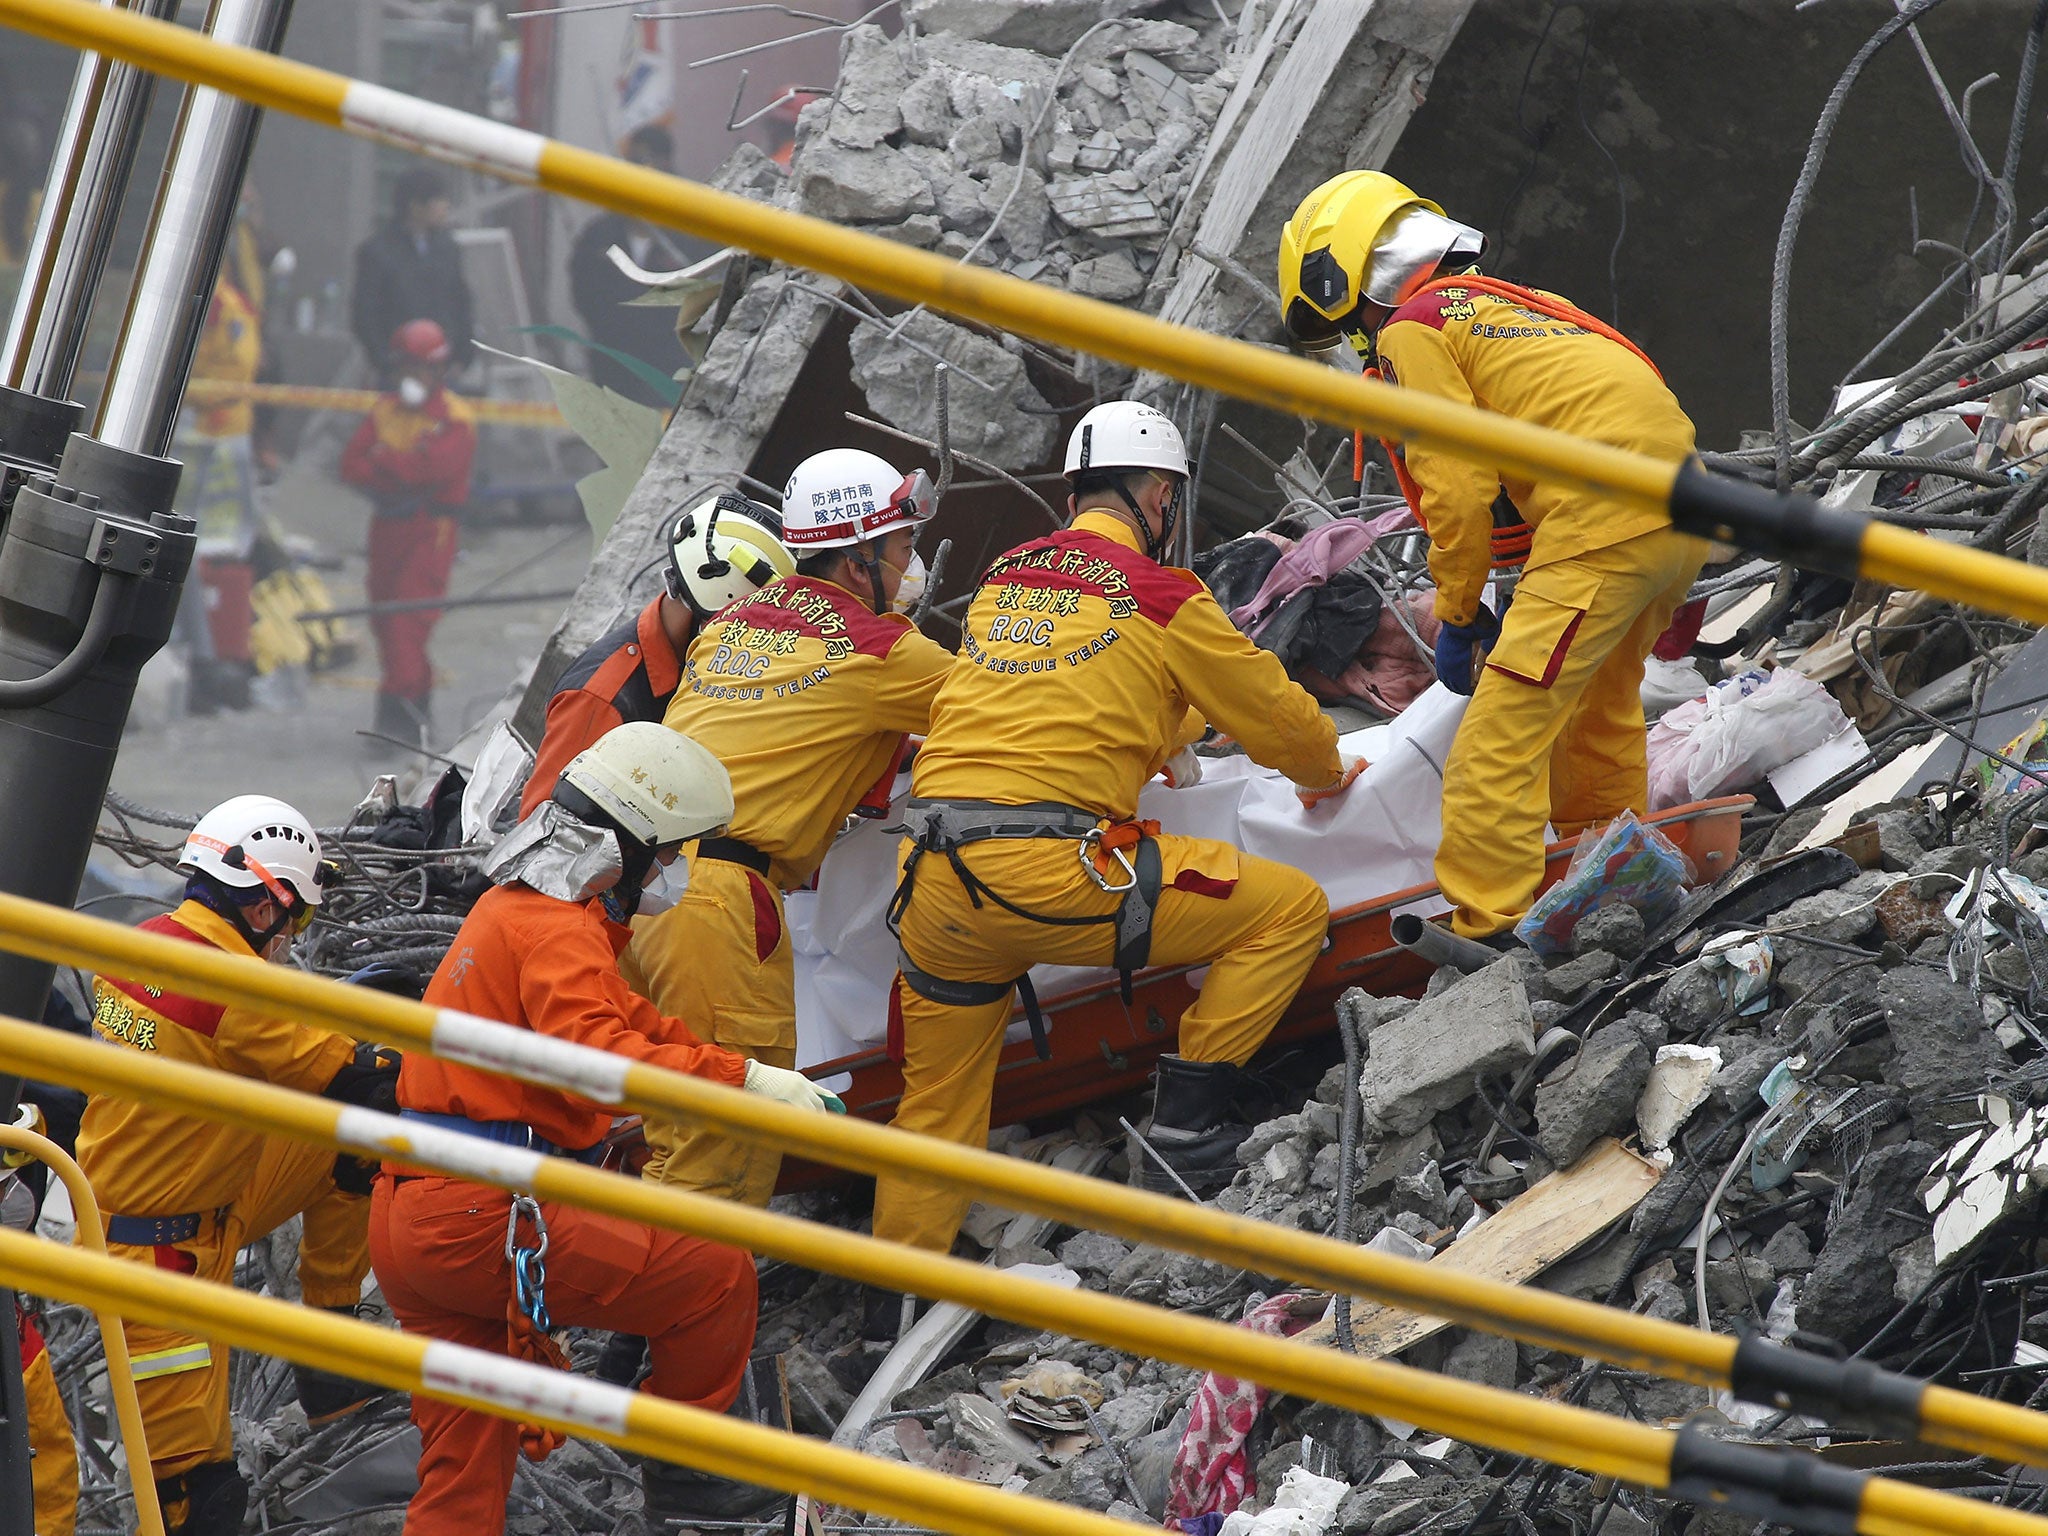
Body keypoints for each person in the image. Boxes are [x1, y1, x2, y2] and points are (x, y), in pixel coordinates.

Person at [870, 401, 1362, 1268]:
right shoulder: (1163, 594)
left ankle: (887, 1307)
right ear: (1160, 498)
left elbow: (1054, 695)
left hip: (931, 883)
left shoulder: (1008, 576)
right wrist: (1329, 772)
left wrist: (1165, 738)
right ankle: (1184, 1130)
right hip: (1046, 869)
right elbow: (1278, 719)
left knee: (934, 1118)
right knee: (1288, 910)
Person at [370, 721, 845, 1533]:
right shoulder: (556, 929)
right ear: (626, 843)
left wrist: (754, 1079)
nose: (673, 871)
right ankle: (695, 1475)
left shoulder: (520, 910)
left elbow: (634, 1023)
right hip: (484, 1214)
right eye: (669, 852)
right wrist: (742, 1078)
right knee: (716, 1274)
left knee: (463, 1474)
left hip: (416, 1219)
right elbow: (594, 1050)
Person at [1276, 170, 1708, 941]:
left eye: (1342, 325)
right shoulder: (1527, 306)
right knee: (1596, 718)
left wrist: (1459, 613)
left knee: (1493, 751)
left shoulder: (1413, 327)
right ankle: (1624, 888)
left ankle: (1492, 940)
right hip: (1679, 518)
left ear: (1344, 277)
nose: (1357, 344)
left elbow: (1458, 489)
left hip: (1601, 525)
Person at [625, 449, 953, 1207]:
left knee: (679, 1138)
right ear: (857, 558)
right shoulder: (879, 649)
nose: (913, 567)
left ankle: (647, 1317)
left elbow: (782, 724)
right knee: (724, 1153)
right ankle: (672, 1316)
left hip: (640, 895)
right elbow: (1013, 704)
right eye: (902, 549)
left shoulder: (730, 625)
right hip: (720, 910)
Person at [75, 796, 399, 1536]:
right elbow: (361, 1077)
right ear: (263, 909)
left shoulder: (147, 942)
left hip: (191, 1203)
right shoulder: (233, 992)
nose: (293, 937)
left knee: (342, 1143)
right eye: (298, 919)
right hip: (157, 1258)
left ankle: (330, 1360)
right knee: (198, 1497)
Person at [519, 490, 793, 817]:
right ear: (711, 616)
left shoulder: (694, 670)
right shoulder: (603, 698)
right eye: (746, 631)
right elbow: (543, 837)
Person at [339, 319, 476, 751]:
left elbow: (434, 470)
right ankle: (402, 714)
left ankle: (401, 722)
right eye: (408, 368)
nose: (415, 378)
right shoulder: (384, 410)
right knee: (383, 621)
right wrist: (403, 465)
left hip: (430, 533)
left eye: (424, 368)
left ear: (440, 371)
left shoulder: (456, 419)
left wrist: (385, 462)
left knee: (407, 624)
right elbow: (351, 464)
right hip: (387, 530)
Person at [568, 124, 705, 406]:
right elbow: (583, 293)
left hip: (672, 372)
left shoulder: (692, 237)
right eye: (631, 164)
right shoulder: (598, 237)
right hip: (614, 369)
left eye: (646, 162)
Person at [350, 167, 473, 379]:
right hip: (397, 371)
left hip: (442, 369)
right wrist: (384, 361)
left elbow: (462, 302)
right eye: (438, 200)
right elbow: (364, 312)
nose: (446, 207)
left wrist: (463, 357)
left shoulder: (448, 248)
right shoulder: (377, 252)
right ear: (415, 206)